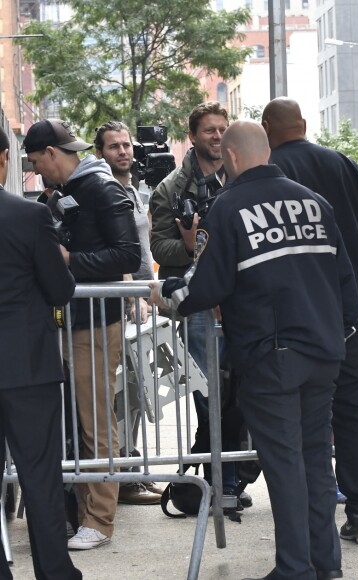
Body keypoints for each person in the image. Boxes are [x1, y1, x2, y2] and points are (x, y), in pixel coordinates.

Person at [149, 120, 358, 580]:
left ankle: (294, 570)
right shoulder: (315, 203)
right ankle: (326, 565)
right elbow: (345, 279)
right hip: (323, 351)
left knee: (284, 465)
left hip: (272, 354)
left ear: (234, 157)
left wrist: (165, 294)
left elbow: (207, 286)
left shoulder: (227, 208)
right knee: (316, 465)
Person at [262, 97, 358, 545]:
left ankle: (303, 525)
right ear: (303, 124)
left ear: (267, 129)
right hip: (352, 303)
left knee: (296, 417)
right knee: (350, 408)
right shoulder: (342, 164)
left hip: (292, 315)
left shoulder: (269, 173)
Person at [23, 118, 141, 550]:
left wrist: (69, 259)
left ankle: (100, 519)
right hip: (73, 320)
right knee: (82, 423)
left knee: (96, 423)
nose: (38, 172)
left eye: (37, 162)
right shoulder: (73, 191)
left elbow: (128, 253)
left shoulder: (102, 189)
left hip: (93, 322)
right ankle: (86, 513)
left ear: (53, 154)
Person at [148, 101, 246, 502]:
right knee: (209, 395)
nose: (218, 136)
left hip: (240, 302)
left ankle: (231, 477)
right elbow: (158, 244)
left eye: (223, 129)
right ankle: (222, 482)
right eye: (210, 130)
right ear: (193, 136)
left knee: (241, 392)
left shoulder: (241, 176)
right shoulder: (170, 188)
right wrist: (193, 248)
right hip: (200, 304)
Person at [0, 125, 81, 579]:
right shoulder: (28, 217)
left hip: (26, 366)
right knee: (40, 477)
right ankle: (54, 571)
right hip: (28, 366)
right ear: (4, 159)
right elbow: (60, 288)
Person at [94, 120, 163, 505]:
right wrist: (130, 296)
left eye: (126, 145)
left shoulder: (134, 190)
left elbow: (142, 247)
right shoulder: (103, 192)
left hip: (140, 304)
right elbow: (114, 248)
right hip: (120, 307)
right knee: (119, 395)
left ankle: (130, 468)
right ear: (100, 153)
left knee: (137, 395)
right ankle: (120, 476)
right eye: (113, 147)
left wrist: (147, 290)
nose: (123, 151)